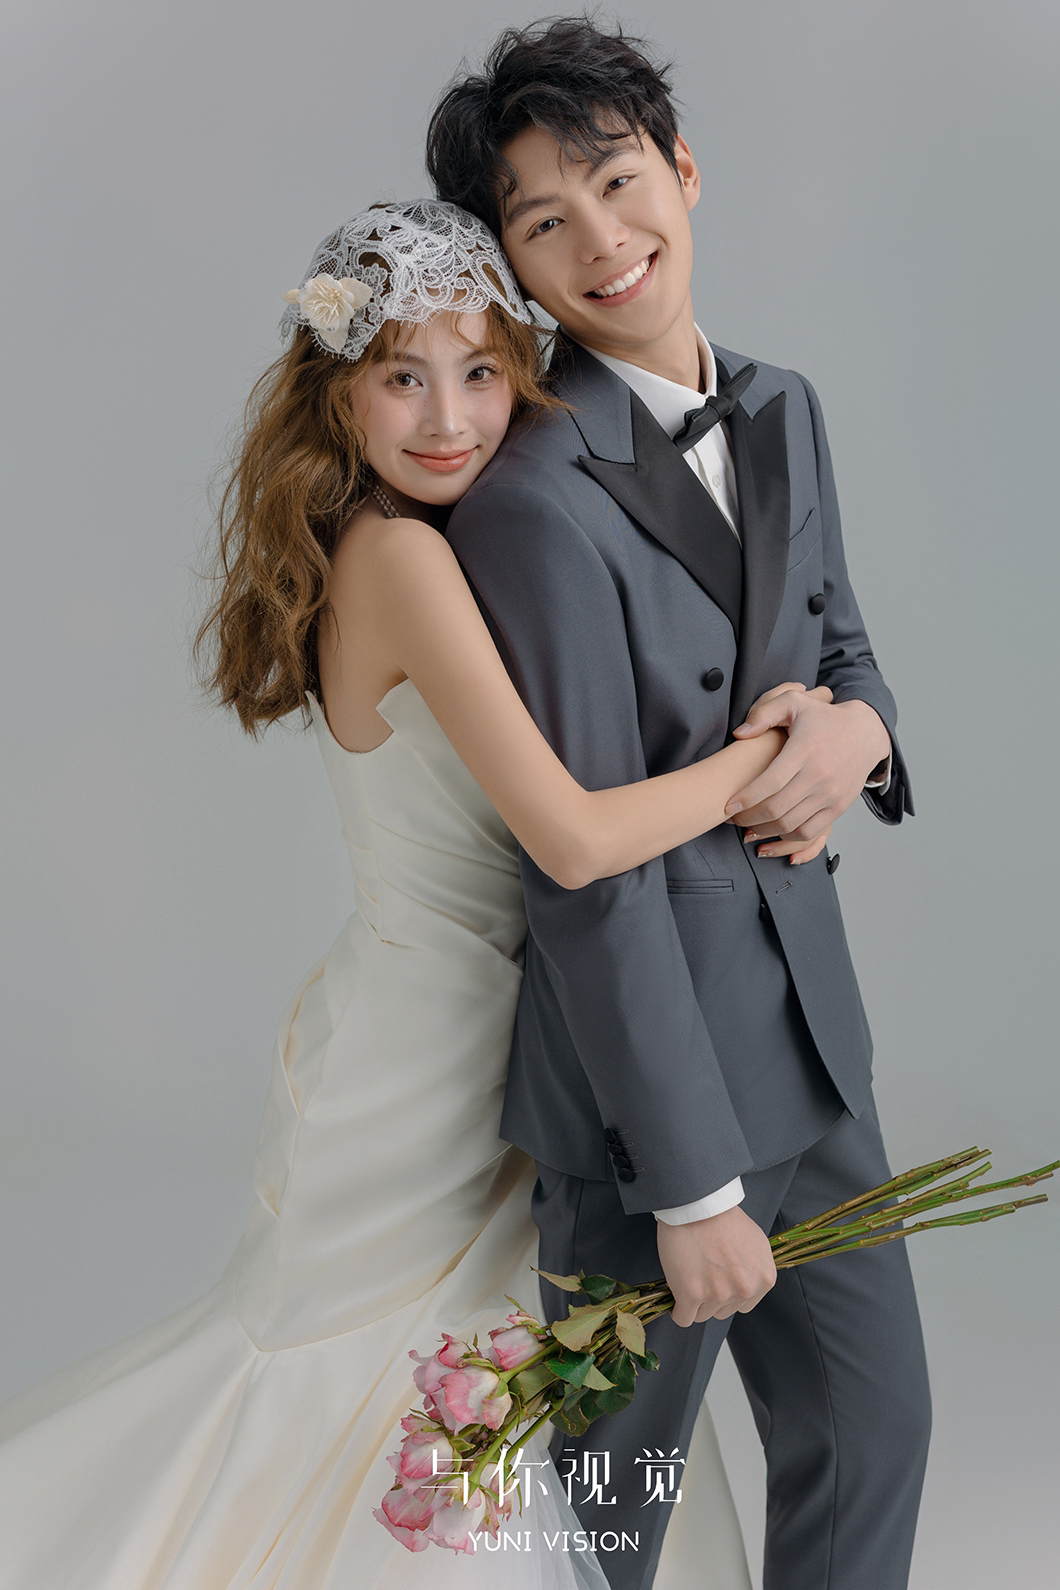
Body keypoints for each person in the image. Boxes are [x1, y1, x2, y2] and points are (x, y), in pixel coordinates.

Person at [0, 200, 822, 1589]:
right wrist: (775, 759)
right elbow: (574, 837)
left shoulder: (445, 536)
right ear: (340, 396)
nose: (449, 418)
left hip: (499, 1023)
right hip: (428, 1052)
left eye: (481, 372)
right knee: (366, 1370)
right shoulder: (402, 557)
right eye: (403, 377)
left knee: (490, 1378)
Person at [426, 19, 933, 1590]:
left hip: (814, 1051)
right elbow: (582, 863)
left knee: (874, 1433)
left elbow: (844, 651)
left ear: (684, 168)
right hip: (652, 1107)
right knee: (606, 1520)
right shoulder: (529, 497)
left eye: (618, 180)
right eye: (543, 220)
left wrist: (862, 734)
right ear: (512, 262)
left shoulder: (784, 403)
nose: (601, 239)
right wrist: (692, 1183)